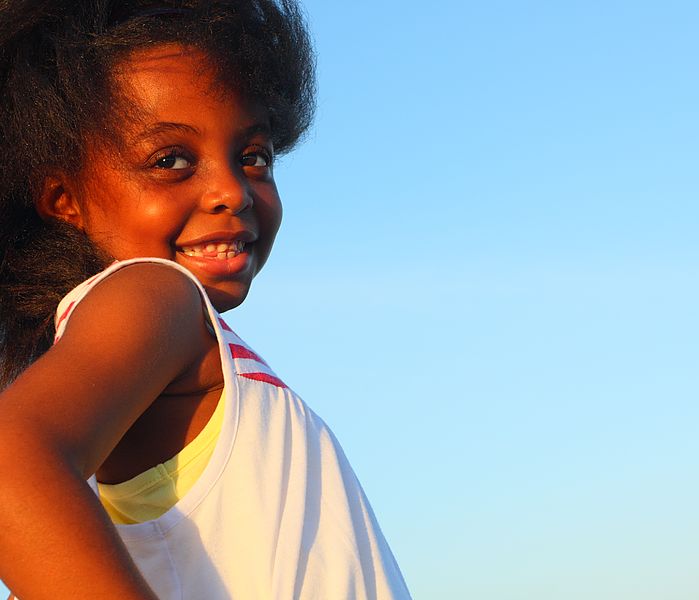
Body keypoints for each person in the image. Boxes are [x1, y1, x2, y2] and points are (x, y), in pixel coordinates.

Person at [0, 1, 410, 598]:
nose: (230, 190)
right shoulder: (156, 295)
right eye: (170, 161)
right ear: (64, 199)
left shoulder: (150, 342)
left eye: (254, 157)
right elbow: (11, 460)